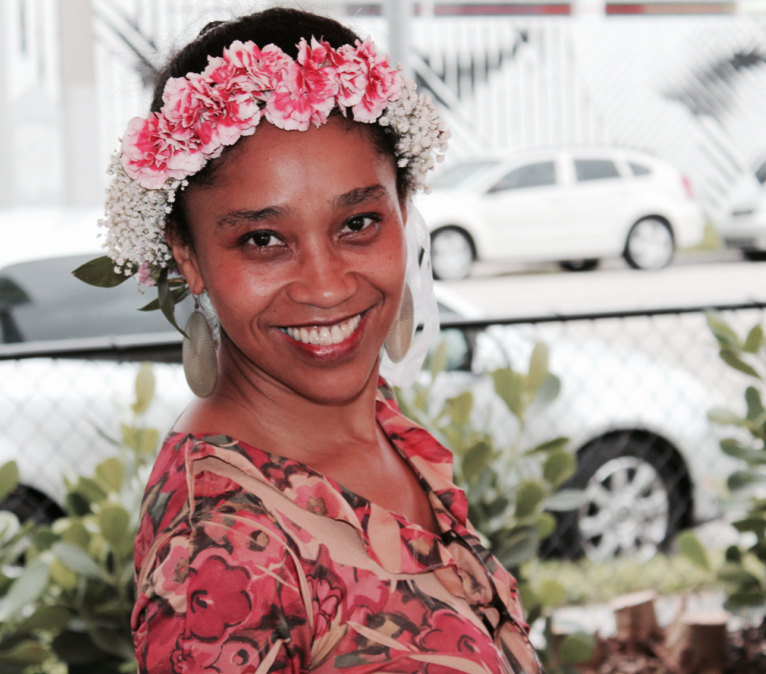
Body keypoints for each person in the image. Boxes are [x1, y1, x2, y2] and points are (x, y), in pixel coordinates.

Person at [85, 8, 543, 673]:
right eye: (263, 240)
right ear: (186, 253)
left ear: (404, 209)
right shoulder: (220, 548)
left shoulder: (372, 419)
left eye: (357, 222)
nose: (326, 287)